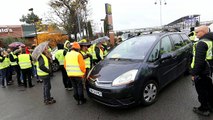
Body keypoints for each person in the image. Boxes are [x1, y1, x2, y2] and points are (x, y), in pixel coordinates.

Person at [191, 25, 213, 116]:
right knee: (209, 90)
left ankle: (204, 109)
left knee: (202, 92)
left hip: (201, 73)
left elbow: (199, 62)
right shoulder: (210, 41)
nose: (195, 34)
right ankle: (211, 106)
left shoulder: (201, 43)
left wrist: (194, 74)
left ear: (203, 32)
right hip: (208, 70)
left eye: (197, 32)